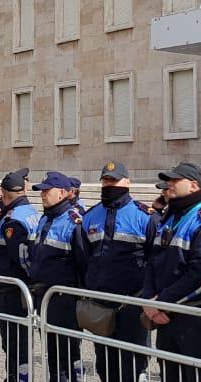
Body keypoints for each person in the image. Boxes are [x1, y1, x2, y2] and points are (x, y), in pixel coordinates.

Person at [142, 162, 201, 382]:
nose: (169, 185)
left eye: (174, 180)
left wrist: (160, 301)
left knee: (197, 376)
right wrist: (148, 300)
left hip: (193, 317)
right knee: (170, 375)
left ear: (193, 185)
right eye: (168, 181)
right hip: (164, 316)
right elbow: (152, 261)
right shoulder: (170, 217)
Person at [81, 161, 160, 382]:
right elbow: (85, 257)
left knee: (133, 369)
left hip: (132, 307)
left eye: (114, 180)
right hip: (102, 306)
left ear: (127, 182)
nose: (109, 184)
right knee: (106, 368)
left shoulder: (145, 216)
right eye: (105, 180)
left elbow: (156, 260)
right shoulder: (89, 217)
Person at [30, 171, 90, 382]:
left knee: (67, 355)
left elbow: (83, 263)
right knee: (52, 354)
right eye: (41, 191)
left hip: (63, 299)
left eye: (47, 191)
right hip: (43, 297)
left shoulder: (73, 222)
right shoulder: (45, 219)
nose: (43, 195)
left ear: (63, 193)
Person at [0, 168, 40, 381]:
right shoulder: (30, 212)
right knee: (18, 344)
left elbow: (21, 257)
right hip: (16, 289)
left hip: (11, 291)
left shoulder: (13, 220)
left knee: (15, 344)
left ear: (3, 192)